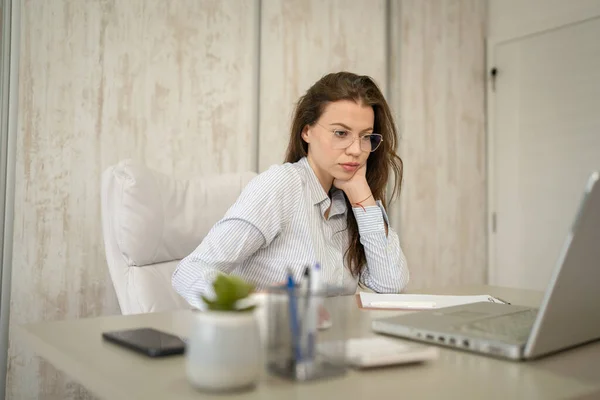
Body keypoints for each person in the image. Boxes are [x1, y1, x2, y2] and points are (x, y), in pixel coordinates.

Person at [172, 71, 409, 309]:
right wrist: (257, 307)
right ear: (307, 131)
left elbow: (390, 284)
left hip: (326, 340)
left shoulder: (345, 198)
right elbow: (190, 271)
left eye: (366, 137)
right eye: (341, 133)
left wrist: (362, 196)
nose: (356, 150)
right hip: (268, 339)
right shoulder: (281, 186)